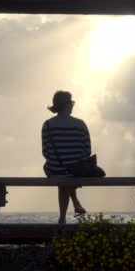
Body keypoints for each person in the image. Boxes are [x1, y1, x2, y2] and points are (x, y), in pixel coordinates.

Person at [42, 90, 90, 224]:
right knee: (69, 172)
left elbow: (45, 152)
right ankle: (75, 205)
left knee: (62, 174)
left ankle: (63, 217)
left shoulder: (47, 125)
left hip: (55, 169)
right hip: (76, 170)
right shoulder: (81, 124)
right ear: (68, 105)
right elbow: (87, 151)